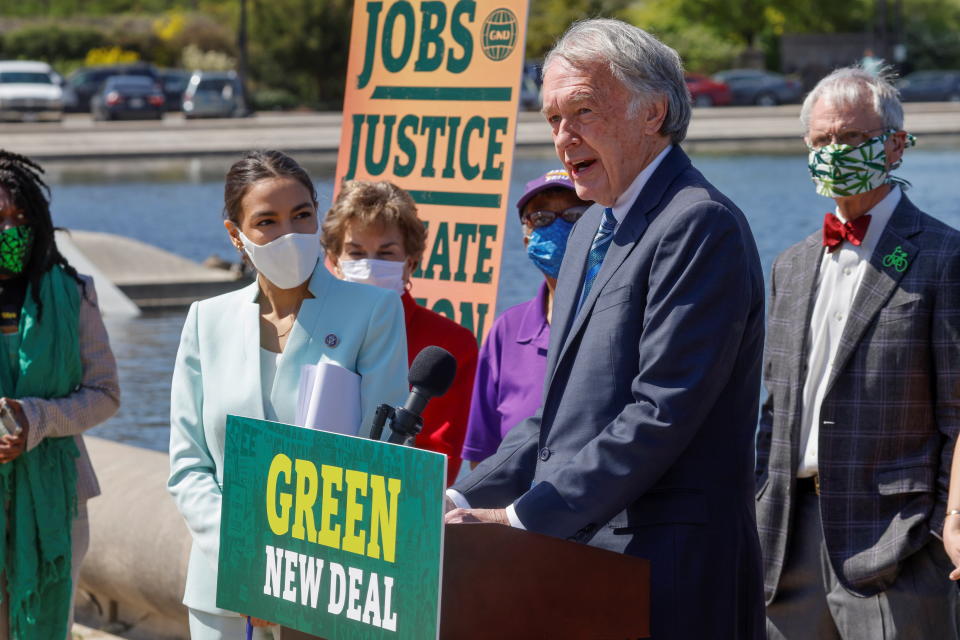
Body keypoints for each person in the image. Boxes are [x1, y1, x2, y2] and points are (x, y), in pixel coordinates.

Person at [444, 19, 766, 638]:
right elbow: (556, 415)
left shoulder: (700, 224)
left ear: (653, 112)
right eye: (552, 120)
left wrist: (519, 520)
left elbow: (660, 412)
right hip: (576, 565)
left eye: (583, 112)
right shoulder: (590, 228)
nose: (564, 139)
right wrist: (458, 499)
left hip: (668, 576)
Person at [167, 151, 408, 639]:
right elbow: (189, 466)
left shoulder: (374, 311)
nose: (289, 234)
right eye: (266, 222)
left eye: (301, 215)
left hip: (329, 588)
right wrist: (246, 556)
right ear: (236, 235)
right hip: (222, 593)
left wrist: (290, 571)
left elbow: (379, 457)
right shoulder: (206, 320)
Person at [756, 66, 960, 639]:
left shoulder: (944, 258)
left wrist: (943, 529)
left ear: (895, 146)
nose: (834, 152)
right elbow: (775, 410)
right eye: (822, 140)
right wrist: (758, 506)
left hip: (896, 543)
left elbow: (958, 412)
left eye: (850, 138)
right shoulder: (791, 267)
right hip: (787, 539)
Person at [0, 150, 120, 640]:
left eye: (20, 218)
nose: (10, 230)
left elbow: (105, 394)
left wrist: (37, 419)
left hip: (57, 501)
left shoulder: (75, 294)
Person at [321, 180, 477, 486]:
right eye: (356, 253)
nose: (369, 266)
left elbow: (439, 458)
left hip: (398, 509)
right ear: (335, 262)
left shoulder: (450, 345)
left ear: (410, 263)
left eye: (385, 253)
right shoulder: (310, 329)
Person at [461, 169, 590, 467]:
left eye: (575, 215)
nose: (558, 227)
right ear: (526, 237)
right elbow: (482, 456)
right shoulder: (506, 331)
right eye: (542, 218)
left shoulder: (623, 316)